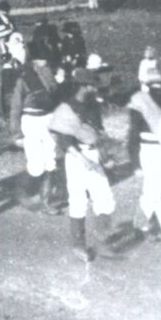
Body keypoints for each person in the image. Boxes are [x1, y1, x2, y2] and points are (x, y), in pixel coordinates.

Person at [49, 69, 122, 262]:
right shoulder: (67, 109)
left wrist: (105, 156)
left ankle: (103, 243)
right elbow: (64, 141)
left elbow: (97, 134)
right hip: (76, 158)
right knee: (78, 200)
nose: (94, 88)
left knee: (105, 197)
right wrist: (83, 159)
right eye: (91, 85)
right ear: (82, 86)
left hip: (94, 153)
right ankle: (78, 245)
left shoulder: (92, 107)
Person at [10, 37, 64, 212]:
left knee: (51, 161)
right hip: (31, 122)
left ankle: (46, 201)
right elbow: (15, 107)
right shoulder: (24, 79)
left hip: (48, 120)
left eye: (46, 60)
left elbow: (56, 97)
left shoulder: (51, 77)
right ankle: (22, 190)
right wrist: (16, 133)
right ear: (34, 61)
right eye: (42, 59)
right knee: (36, 165)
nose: (45, 62)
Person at [126, 53, 161, 235]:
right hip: (148, 148)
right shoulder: (140, 102)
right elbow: (133, 134)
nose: (159, 87)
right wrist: (135, 163)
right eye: (156, 84)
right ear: (148, 85)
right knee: (154, 189)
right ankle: (140, 222)